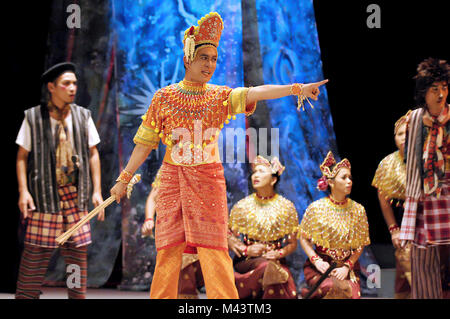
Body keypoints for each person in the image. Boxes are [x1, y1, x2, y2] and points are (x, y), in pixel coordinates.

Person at [110, 12, 328, 299]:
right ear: (188, 58)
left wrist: (296, 88)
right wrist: (124, 179)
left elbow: (257, 92)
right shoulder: (163, 98)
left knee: (214, 250)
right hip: (173, 179)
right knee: (168, 251)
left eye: (214, 59)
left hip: (207, 180)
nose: (210, 65)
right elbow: (145, 142)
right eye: (204, 58)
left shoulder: (219, 96)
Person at [15, 62, 104, 299]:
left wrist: (97, 190)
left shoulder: (83, 117)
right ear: (52, 87)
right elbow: (22, 157)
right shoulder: (34, 118)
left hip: (75, 196)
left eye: (74, 83)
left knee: (77, 257)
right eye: (66, 84)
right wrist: (24, 191)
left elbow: (93, 153)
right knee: (35, 255)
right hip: (45, 196)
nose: (72, 88)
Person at [399, 58, 450, 299]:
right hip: (425, 195)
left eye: (444, 87)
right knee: (422, 258)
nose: (441, 94)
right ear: (423, 92)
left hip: (449, 194)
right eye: (434, 89)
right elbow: (410, 162)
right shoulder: (415, 120)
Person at [298, 151, 370, 299]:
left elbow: (360, 243)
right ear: (330, 182)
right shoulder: (316, 208)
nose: (349, 181)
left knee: (348, 292)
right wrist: (316, 260)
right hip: (321, 268)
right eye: (344, 177)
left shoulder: (358, 210)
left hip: (346, 269)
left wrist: (347, 266)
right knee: (331, 287)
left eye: (350, 177)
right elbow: (303, 238)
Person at [227, 155, 299, 299]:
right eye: (254, 172)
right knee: (270, 269)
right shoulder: (242, 206)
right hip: (247, 261)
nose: (256, 175)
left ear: (273, 179)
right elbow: (229, 237)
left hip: (275, 260)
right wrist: (246, 249)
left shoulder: (287, 207)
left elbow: (292, 244)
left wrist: (278, 254)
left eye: (261, 171)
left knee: (272, 269)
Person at [141, 169, 205, 298]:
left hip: (196, 231)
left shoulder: (203, 166)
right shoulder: (168, 168)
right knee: (170, 276)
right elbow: (154, 197)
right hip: (172, 229)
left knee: (189, 279)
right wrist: (149, 219)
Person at [372, 112, 412, 298]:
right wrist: (393, 228)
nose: (404, 137)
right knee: (405, 273)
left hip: (428, 220)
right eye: (400, 133)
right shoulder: (386, 164)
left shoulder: (429, 160)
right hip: (403, 221)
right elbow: (384, 199)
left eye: (409, 132)